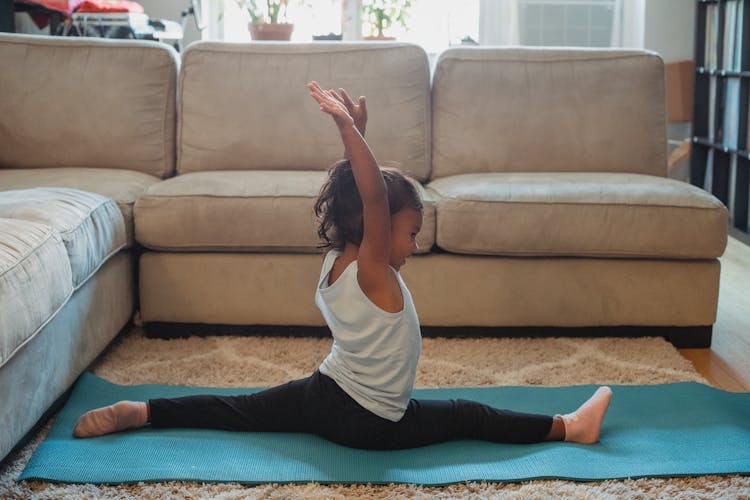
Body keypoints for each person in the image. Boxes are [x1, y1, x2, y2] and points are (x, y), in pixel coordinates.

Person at [73, 82, 612, 449]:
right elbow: (375, 197)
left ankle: (143, 412)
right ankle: (568, 427)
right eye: (410, 234)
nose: (413, 247)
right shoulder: (375, 270)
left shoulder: (336, 262)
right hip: (373, 422)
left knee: (243, 409)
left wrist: (352, 132)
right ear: (376, 228)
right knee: (469, 415)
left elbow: (368, 198)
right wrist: (348, 130)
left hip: (323, 397)